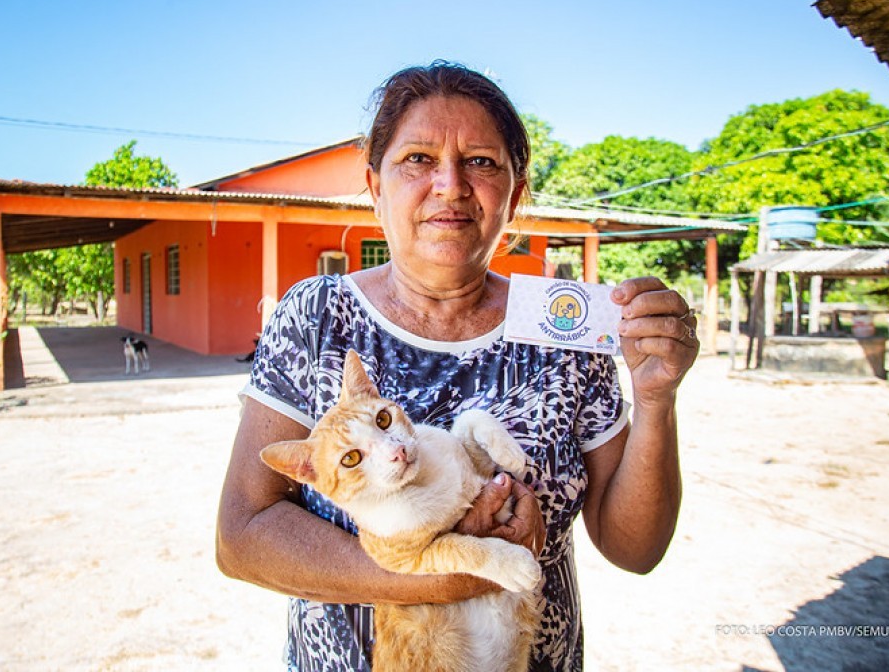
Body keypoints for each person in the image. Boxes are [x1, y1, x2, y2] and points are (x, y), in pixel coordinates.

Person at [216, 61, 698, 671]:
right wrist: (448, 570)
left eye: (481, 162)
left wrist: (656, 399)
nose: (450, 184)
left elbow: (636, 548)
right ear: (375, 185)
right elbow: (242, 537)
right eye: (417, 158)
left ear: (514, 195)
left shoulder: (562, 330)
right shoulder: (316, 315)